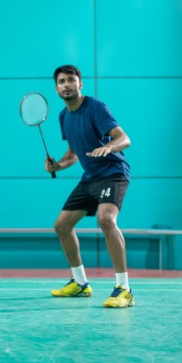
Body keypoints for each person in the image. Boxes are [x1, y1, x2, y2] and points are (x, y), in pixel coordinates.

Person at [44, 64, 134, 308]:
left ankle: (124, 289)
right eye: (61, 81)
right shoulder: (64, 116)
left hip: (112, 173)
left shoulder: (95, 107)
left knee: (106, 220)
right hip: (90, 177)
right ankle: (80, 283)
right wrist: (58, 166)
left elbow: (124, 138)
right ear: (56, 88)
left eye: (71, 80)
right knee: (62, 226)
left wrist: (109, 147)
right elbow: (73, 153)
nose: (66, 85)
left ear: (80, 84)